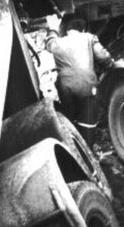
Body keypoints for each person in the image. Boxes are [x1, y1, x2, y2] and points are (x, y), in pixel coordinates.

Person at [45, 13, 113, 147]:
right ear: (82, 29)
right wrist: (109, 65)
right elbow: (103, 57)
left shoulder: (57, 42)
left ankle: (72, 145)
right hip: (87, 86)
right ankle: (88, 148)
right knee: (88, 122)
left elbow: (49, 43)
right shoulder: (89, 37)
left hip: (66, 89)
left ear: (67, 30)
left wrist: (52, 29)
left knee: (70, 119)